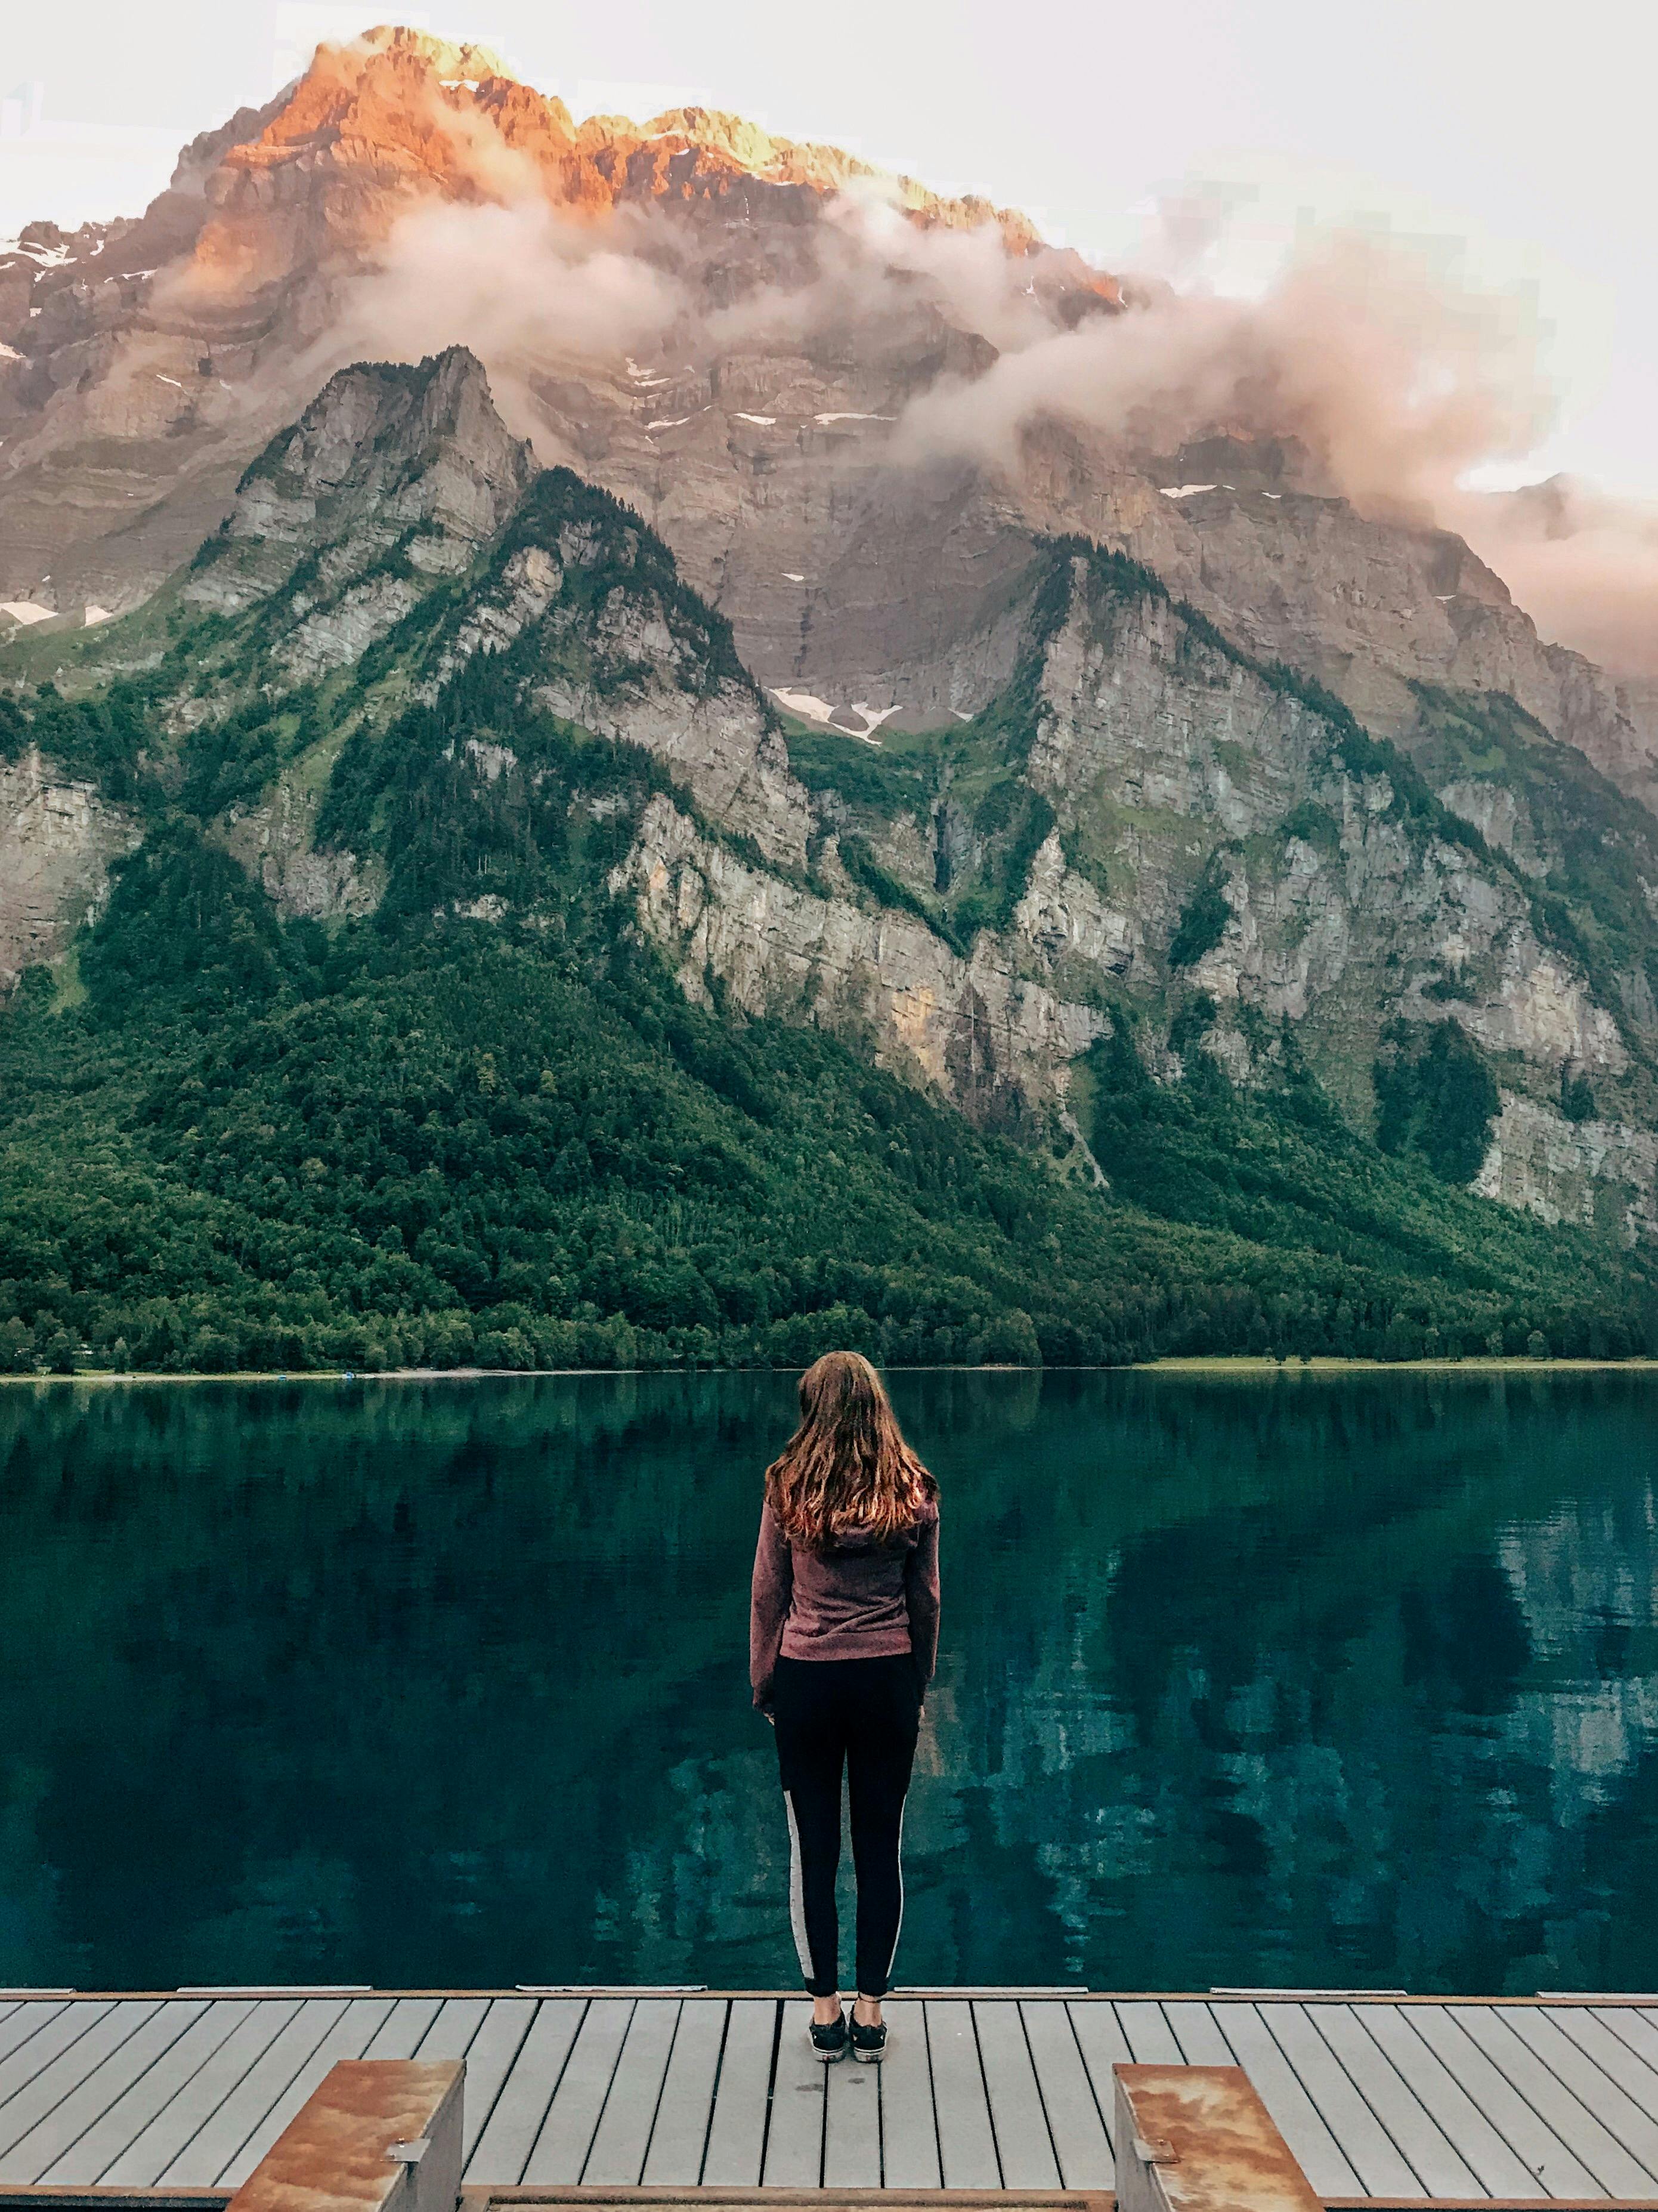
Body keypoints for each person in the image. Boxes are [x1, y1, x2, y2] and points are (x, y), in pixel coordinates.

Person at [750, 1350, 941, 2063]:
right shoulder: (913, 1491)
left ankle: (823, 2013)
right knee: (879, 1848)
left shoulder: (786, 1489)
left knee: (813, 1850)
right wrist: (915, 1680)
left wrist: (765, 1683)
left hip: (807, 1680)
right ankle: (870, 2012)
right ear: (875, 1409)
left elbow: (768, 1595)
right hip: (885, 1679)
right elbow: (925, 1599)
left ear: (813, 1410)